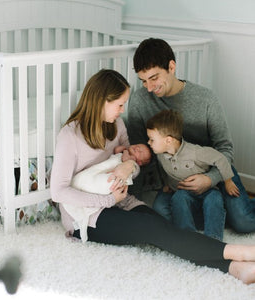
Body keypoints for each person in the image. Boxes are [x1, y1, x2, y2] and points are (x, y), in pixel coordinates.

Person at [51, 68, 255, 285]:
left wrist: (128, 167)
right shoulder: (70, 136)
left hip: (121, 201)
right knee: (152, 229)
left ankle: (234, 267)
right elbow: (59, 191)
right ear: (101, 100)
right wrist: (108, 200)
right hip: (86, 216)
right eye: (119, 104)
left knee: (165, 227)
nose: (122, 111)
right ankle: (240, 253)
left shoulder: (116, 125)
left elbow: (135, 164)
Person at [127, 37, 255, 233]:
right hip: (176, 178)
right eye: (143, 81)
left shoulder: (205, 99)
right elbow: (140, 153)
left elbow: (225, 148)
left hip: (212, 169)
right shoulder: (139, 101)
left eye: (154, 78)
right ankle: (217, 209)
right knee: (161, 213)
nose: (149, 88)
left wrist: (210, 180)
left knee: (244, 222)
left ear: (171, 67)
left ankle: (225, 207)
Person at [146, 109, 239, 240]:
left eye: (151, 139)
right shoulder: (160, 155)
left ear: (168, 140)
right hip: (183, 192)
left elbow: (221, 158)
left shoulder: (195, 152)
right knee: (178, 199)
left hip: (208, 190)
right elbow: (164, 170)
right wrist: (167, 184)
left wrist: (228, 181)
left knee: (214, 200)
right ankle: (188, 237)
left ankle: (213, 240)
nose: (148, 143)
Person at [63, 143, 151, 242]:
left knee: (111, 182)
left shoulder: (130, 159)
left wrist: (126, 154)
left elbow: (126, 161)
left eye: (141, 152)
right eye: (138, 146)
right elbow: (116, 151)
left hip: (112, 179)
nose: (138, 148)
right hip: (98, 174)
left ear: (139, 162)